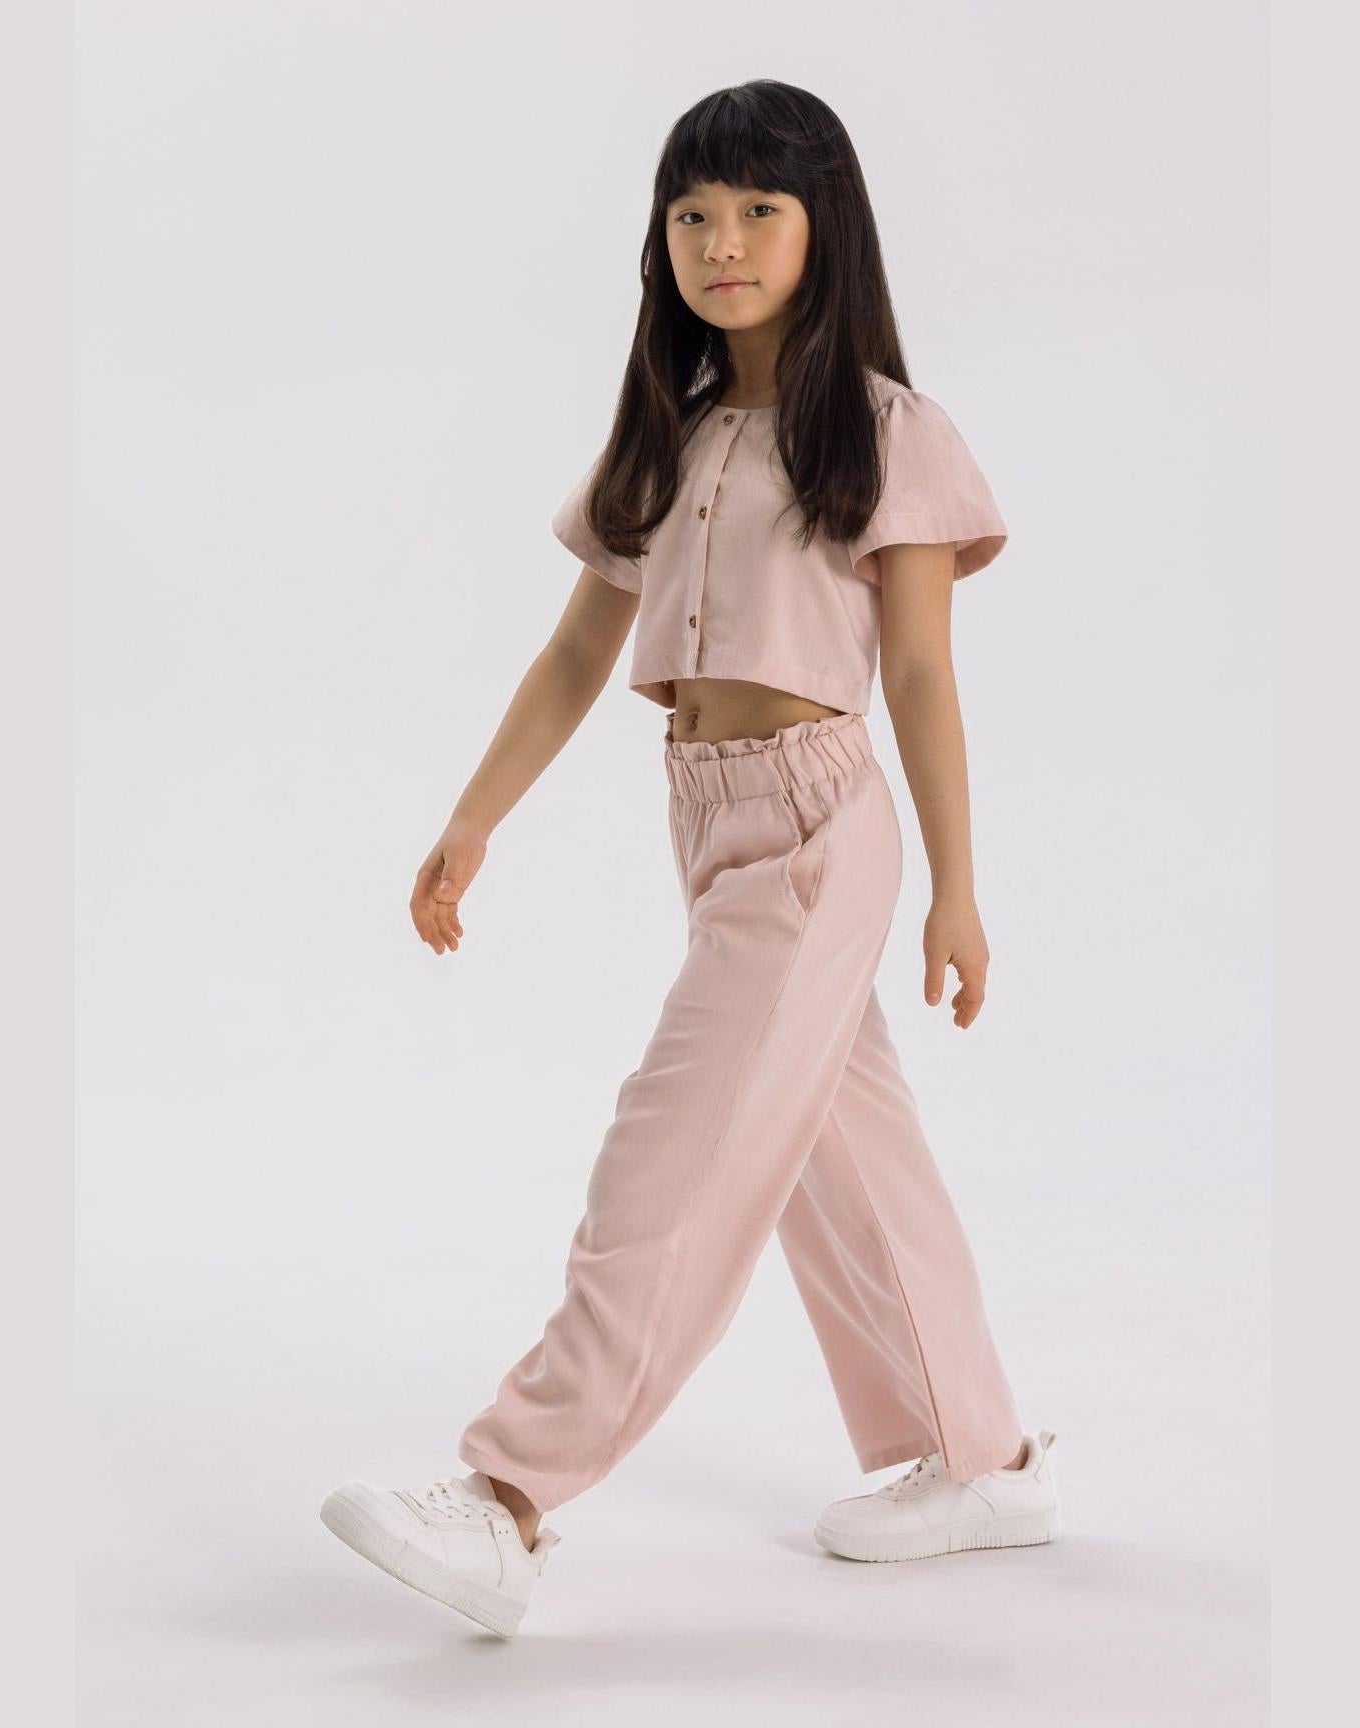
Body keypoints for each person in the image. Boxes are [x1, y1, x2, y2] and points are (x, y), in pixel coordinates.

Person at [320, 78, 1059, 1640]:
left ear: (824, 226)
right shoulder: (665, 436)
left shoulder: (888, 433)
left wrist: (957, 888)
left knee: (675, 1153)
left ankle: (510, 1500)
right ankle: (984, 1460)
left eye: (758, 211)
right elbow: (578, 651)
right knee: (842, 1158)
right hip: (708, 822)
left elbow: (922, 678)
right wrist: (474, 816)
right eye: (692, 214)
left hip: (816, 826)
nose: (722, 242)